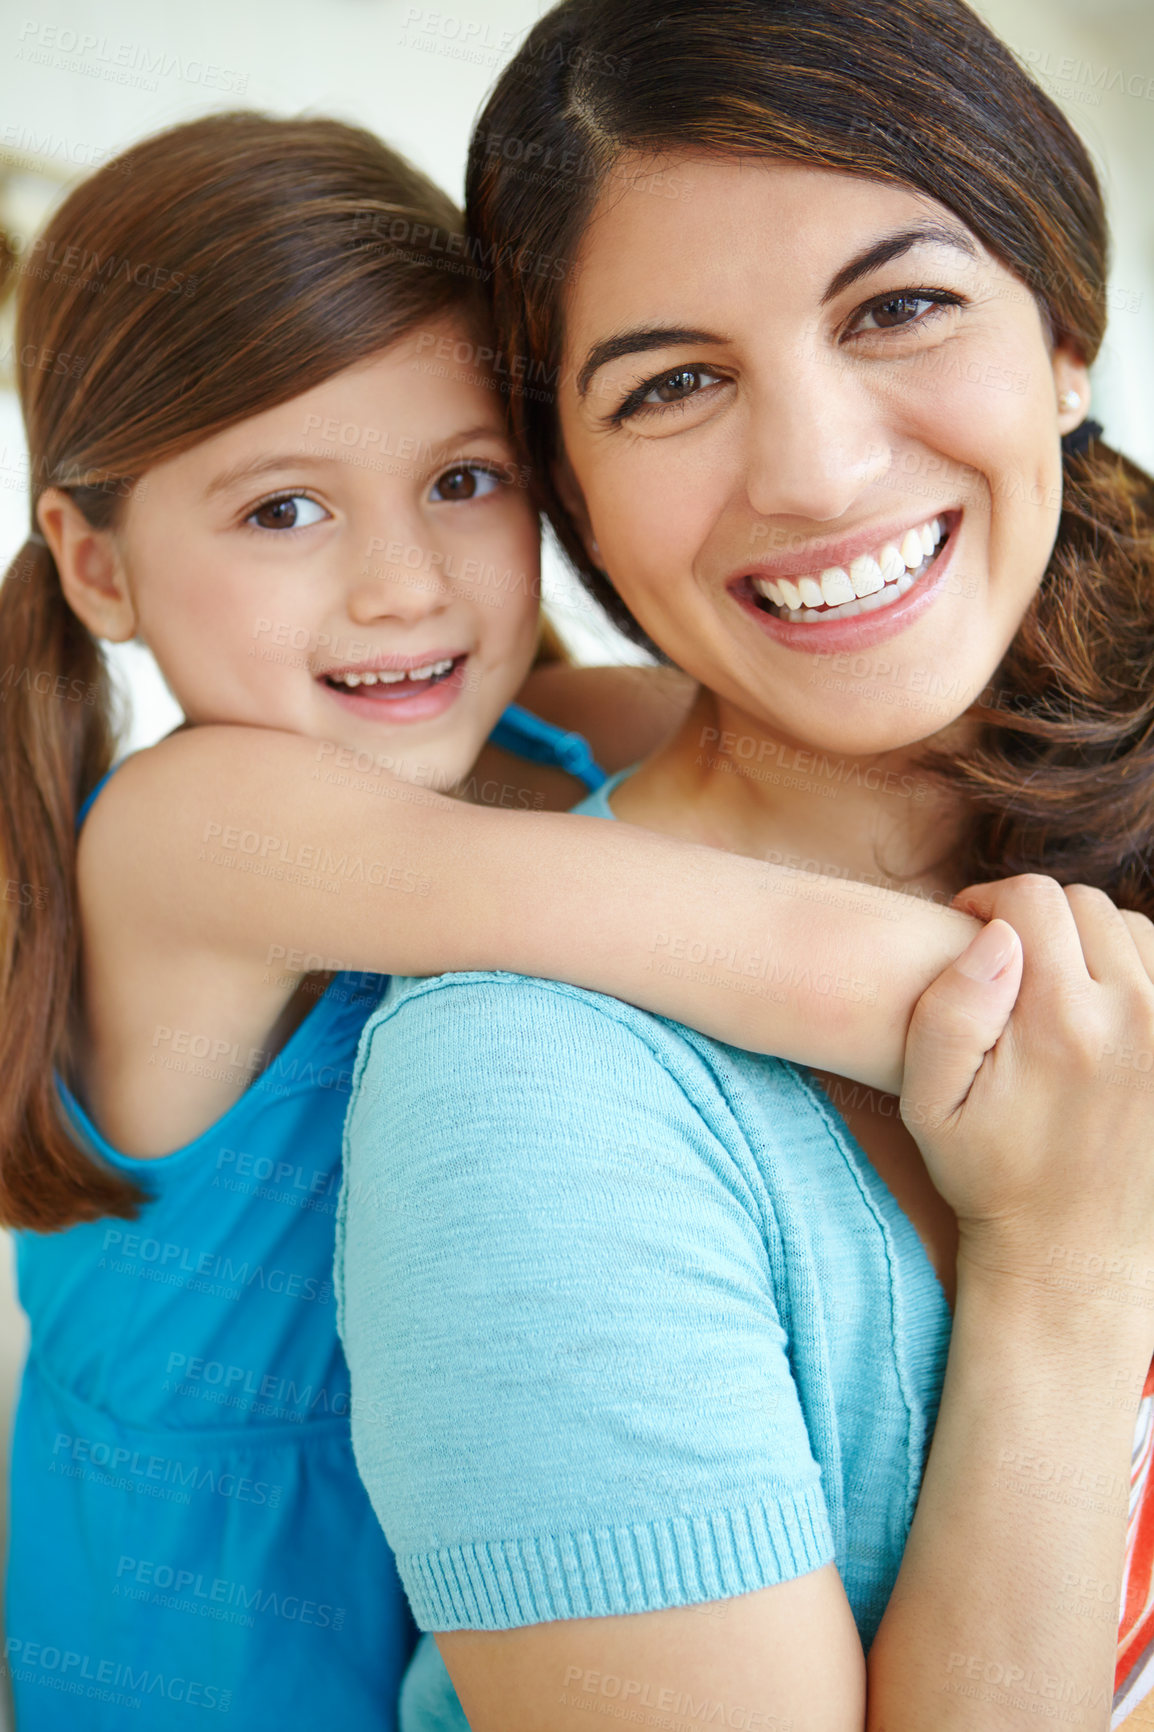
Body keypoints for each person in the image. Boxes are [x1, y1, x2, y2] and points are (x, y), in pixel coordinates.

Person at [0, 107, 1007, 1729]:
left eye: (461, 479)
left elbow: (843, 785)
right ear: (96, 570)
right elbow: (808, 956)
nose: (403, 583)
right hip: (198, 1665)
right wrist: (1083, 1052)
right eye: (282, 510)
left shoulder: (573, 732)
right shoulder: (198, 825)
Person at [336, 2, 1154, 1728]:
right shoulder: (521, 1088)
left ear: (1062, 333)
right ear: (567, 490)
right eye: (673, 383)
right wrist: (1069, 1268)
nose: (817, 468)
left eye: (901, 305)